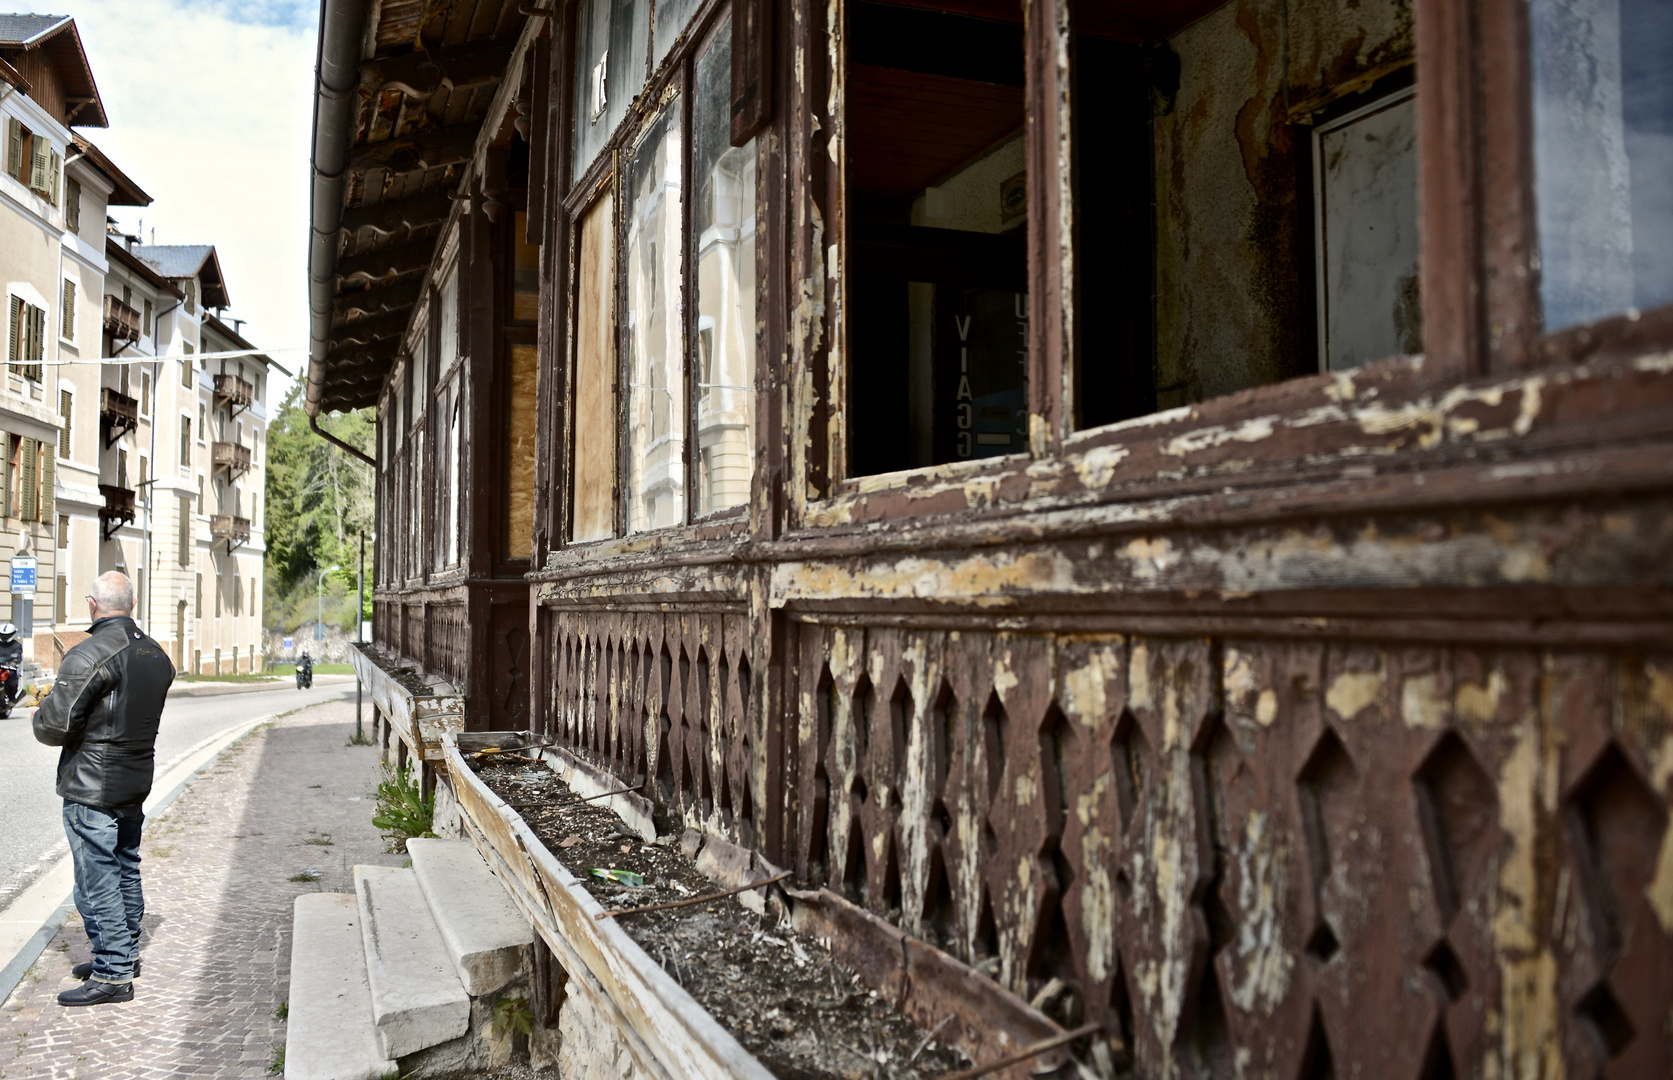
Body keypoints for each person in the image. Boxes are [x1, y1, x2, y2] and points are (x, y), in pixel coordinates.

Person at [32, 572, 175, 1006]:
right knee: (125, 867)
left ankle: (113, 973)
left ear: (93, 605)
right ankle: (124, 955)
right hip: (135, 777)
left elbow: (54, 725)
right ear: (131, 604)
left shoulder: (88, 652)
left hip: (93, 783)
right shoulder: (156, 654)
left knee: (97, 879)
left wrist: (40, 708)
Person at [0, 622, 22, 707]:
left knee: (12, 681)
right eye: (2, 635)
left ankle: (12, 698)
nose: (4, 637)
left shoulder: (16, 645)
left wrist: (14, 663)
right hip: (0, 667)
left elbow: (18, 656)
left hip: (9, 668)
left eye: (6, 635)